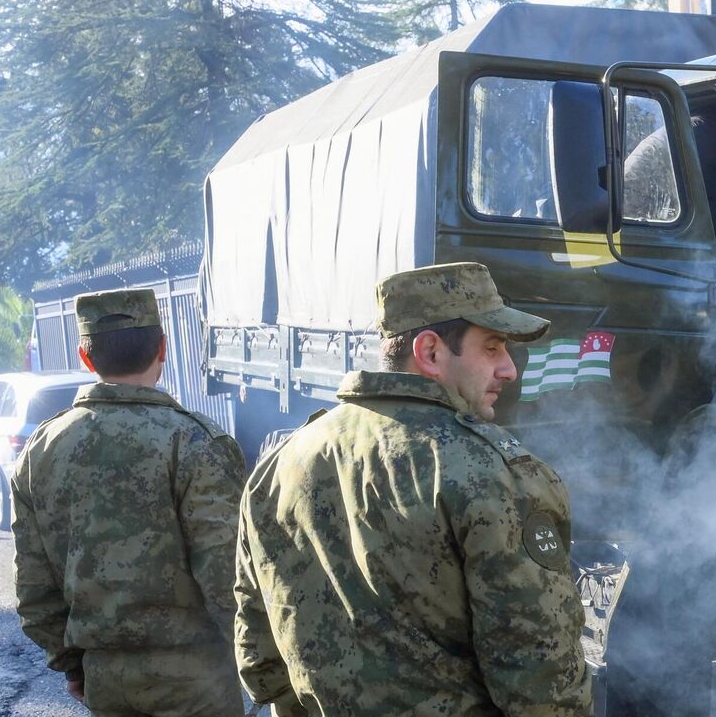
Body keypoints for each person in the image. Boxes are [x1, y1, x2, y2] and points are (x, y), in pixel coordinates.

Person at [235, 262, 590, 716]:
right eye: (493, 347)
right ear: (430, 352)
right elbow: (543, 685)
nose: (508, 370)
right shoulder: (492, 472)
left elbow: (258, 663)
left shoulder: (277, 468)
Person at [11, 289, 247, 716]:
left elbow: (34, 588)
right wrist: (258, 661)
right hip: (198, 681)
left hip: (105, 678)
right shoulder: (196, 442)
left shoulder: (41, 450)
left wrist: (74, 666)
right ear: (162, 347)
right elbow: (226, 575)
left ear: (85, 357)